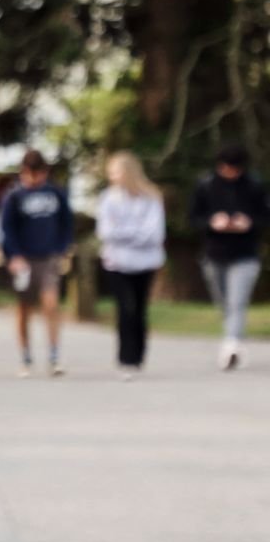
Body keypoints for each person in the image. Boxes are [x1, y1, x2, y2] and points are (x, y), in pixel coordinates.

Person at [189, 143, 266, 371]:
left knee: (237, 302)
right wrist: (212, 222)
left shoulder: (254, 186)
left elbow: (265, 215)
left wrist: (249, 222)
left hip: (245, 254)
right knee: (223, 302)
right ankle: (232, 337)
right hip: (214, 254)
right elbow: (193, 217)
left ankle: (231, 346)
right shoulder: (205, 185)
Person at [0, 149, 74, 377]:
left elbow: (67, 223)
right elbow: (7, 229)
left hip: (49, 256)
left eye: (37, 174)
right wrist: (13, 255)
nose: (33, 179)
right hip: (24, 259)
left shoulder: (56, 194)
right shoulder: (14, 196)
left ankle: (54, 355)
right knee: (25, 308)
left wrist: (63, 249)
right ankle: (25, 356)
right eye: (29, 174)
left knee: (50, 304)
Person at [96, 152, 166, 380]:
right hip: (117, 263)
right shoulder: (108, 198)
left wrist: (124, 233)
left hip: (145, 262)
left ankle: (138, 355)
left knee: (139, 309)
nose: (112, 177)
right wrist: (133, 234)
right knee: (125, 308)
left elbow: (154, 233)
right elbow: (106, 232)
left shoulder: (151, 197)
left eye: (116, 171)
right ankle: (125, 358)